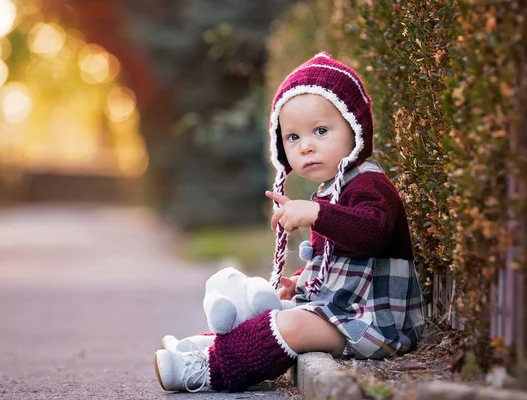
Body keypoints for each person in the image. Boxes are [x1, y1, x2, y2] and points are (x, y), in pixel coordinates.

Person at [153, 51, 425, 393]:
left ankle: (212, 369)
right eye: (293, 138)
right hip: (342, 312)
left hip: (376, 323)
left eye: (321, 131)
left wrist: (317, 214)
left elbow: (372, 234)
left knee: (292, 325)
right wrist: (298, 282)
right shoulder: (332, 190)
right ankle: (204, 346)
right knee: (274, 308)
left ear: (356, 129)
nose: (306, 147)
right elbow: (338, 264)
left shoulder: (371, 185)